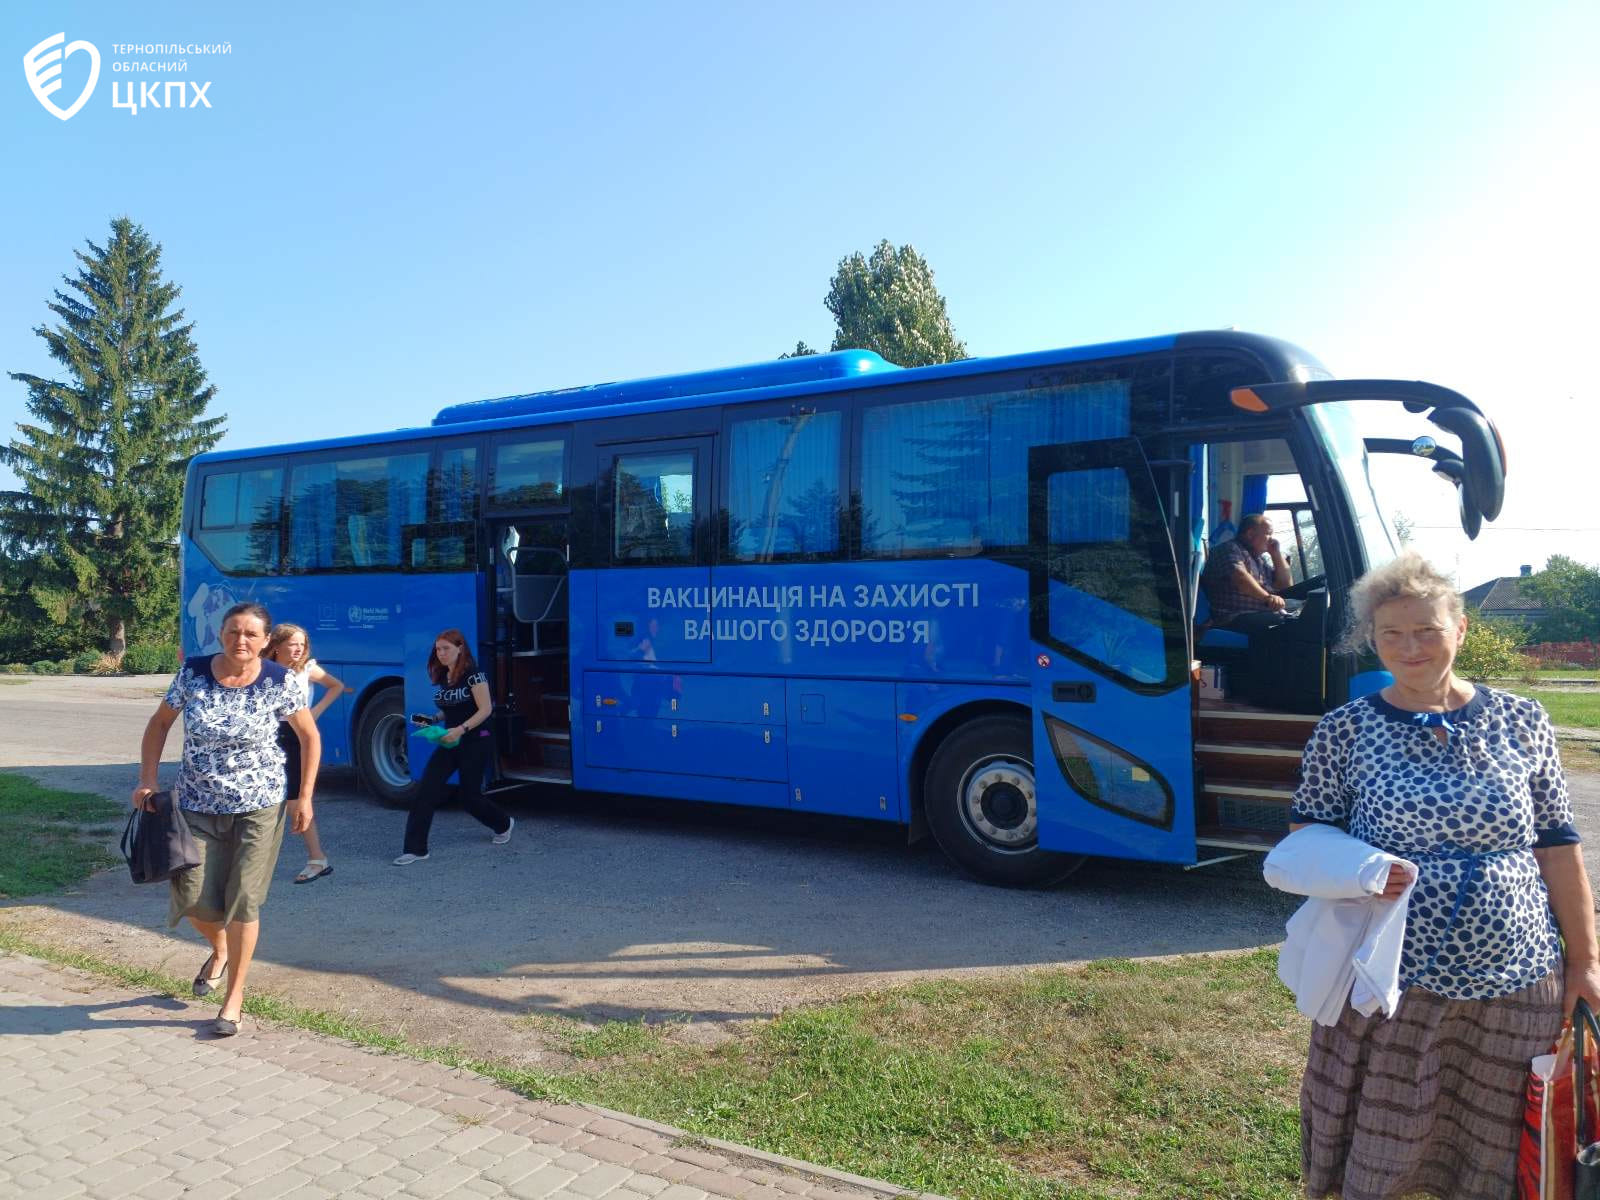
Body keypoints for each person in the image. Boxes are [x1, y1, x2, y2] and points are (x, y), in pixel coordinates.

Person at [1285, 551, 1600, 1199]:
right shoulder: (1343, 731)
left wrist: (1585, 962)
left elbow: (1559, 846)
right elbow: (1305, 838)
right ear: (1372, 640)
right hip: (1389, 980)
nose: (1411, 646)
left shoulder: (1523, 720)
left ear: (1459, 629)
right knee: (1382, 1158)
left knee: (1495, 1156)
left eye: (1427, 630)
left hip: (1517, 978)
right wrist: (1365, 869)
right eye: (1392, 634)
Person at [132, 602, 319, 1038]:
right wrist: (146, 779)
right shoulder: (194, 673)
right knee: (191, 895)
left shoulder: (280, 681)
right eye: (234, 632)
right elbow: (159, 724)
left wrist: (304, 797)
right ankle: (221, 948)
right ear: (221, 633)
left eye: (251, 634)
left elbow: (309, 736)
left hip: (260, 805)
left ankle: (233, 999)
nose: (241, 641)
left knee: (243, 900)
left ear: (265, 641)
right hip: (196, 804)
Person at [395, 628, 513, 865]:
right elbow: (452, 706)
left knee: (469, 798)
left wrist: (461, 729)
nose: (441, 653)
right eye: (438, 649)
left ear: (460, 648)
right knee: (425, 791)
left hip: (475, 740)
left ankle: (503, 823)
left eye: (446, 648)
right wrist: (433, 720)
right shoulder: (444, 676)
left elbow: (485, 709)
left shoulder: (475, 676)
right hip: (449, 741)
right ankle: (416, 849)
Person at [263, 623, 347, 884]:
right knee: (264, 799)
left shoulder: (306, 669)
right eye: (293, 644)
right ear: (276, 646)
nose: (299, 649)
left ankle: (317, 859)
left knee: (295, 801)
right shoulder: (263, 669)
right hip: (267, 736)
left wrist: (316, 712)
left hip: (296, 736)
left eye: (302, 644)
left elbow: (337, 686)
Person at [1201, 511, 1293, 633]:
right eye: (1268, 534)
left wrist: (1276, 554)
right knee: (1286, 622)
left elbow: (1285, 586)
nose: (1272, 539)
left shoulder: (1260, 560)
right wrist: (1268, 598)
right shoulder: (1229, 549)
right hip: (1233, 617)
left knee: (1303, 613)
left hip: (1257, 613)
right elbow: (1240, 578)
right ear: (1250, 534)